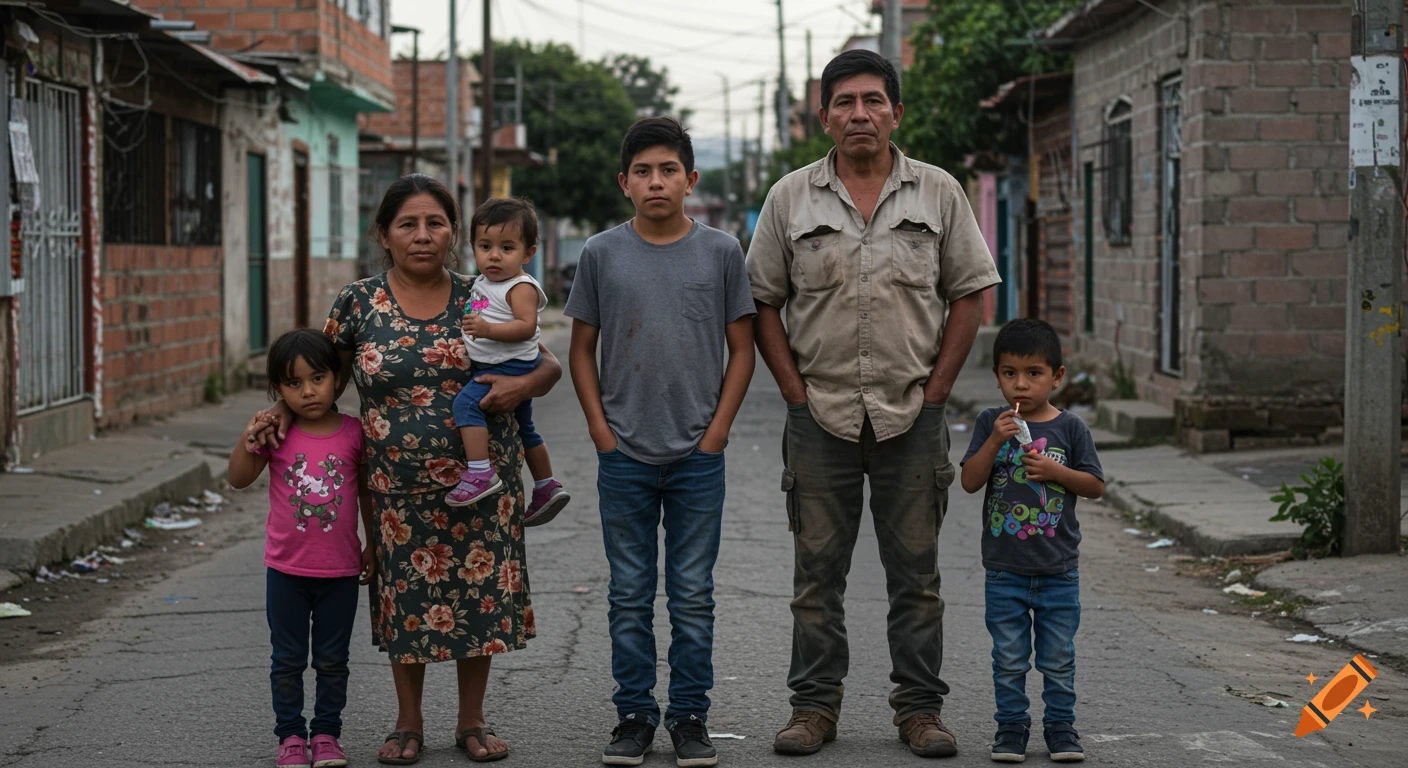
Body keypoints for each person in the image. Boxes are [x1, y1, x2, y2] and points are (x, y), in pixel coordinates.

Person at [253, 174, 562, 765]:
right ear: (385, 235)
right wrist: (277, 409)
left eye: (436, 223)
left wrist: (522, 385)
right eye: (408, 225)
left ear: (454, 233)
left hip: (481, 481)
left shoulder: (486, 290)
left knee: (478, 596)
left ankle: (471, 720)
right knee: (408, 600)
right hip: (395, 488)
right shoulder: (358, 302)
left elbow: (545, 364)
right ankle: (408, 722)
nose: (423, 236)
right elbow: (321, 374)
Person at [745, 49, 1002, 759]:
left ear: (896, 113)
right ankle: (813, 710)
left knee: (917, 578)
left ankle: (920, 712)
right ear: (824, 114)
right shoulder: (789, 198)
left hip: (910, 416)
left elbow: (969, 296)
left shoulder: (939, 193)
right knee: (815, 579)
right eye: (845, 102)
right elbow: (762, 302)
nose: (860, 114)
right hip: (819, 415)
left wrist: (937, 393)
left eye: (873, 101)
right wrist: (793, 393)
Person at [565, 116, 756, 768]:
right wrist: (599, 430)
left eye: (668, 170)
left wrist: (719, 431)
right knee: (628, 593)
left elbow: (741, 348)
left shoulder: (722, 253)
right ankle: (635, 716)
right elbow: (582, 350)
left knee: (693, 593)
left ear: (690, 180)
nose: (655, 181)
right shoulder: (600, 254)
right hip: (624, 455)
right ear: (624, 183)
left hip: (697, 456)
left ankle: (691, 717)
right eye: (642, 171)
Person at [959, 319, 1104, 764]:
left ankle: (1061, 728)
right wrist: (993, 443)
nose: (1021, 384)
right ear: (997, 376)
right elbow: (968, 481)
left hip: (1059, 569)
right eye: (1009, 373)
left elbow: (1095, 485)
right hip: (1005, 570)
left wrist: (1057, 473)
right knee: (1009, 658)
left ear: (1057, 377)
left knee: (1058, 658)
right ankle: (1011, 729)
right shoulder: (990, 422)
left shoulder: (1071, 428)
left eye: (1034, 373)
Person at [230, 328, 375, 768]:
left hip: (340, 572)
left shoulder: (354, 433)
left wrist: (373, 545)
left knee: (333, 661)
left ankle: (327, 734)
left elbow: (367, 493)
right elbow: (238, 478)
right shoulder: (275, 434)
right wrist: (248, 435)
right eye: (293, 384)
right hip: (286, 571)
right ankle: (291, 737)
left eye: (317, 378)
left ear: (336, 378)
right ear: (277, 390)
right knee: (287, 661)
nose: (308, 391)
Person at [449, 197, 570, 527]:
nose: (494, 255)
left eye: (506, 247)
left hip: (508, 367)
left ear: (528, 254)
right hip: (502, 363)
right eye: (485, 246)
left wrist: (487, 329)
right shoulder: (484, 283)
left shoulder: (520, 286)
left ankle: (480, 473)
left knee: (466, 407)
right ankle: (546, 486)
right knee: (525, 427)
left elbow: (526, 326)